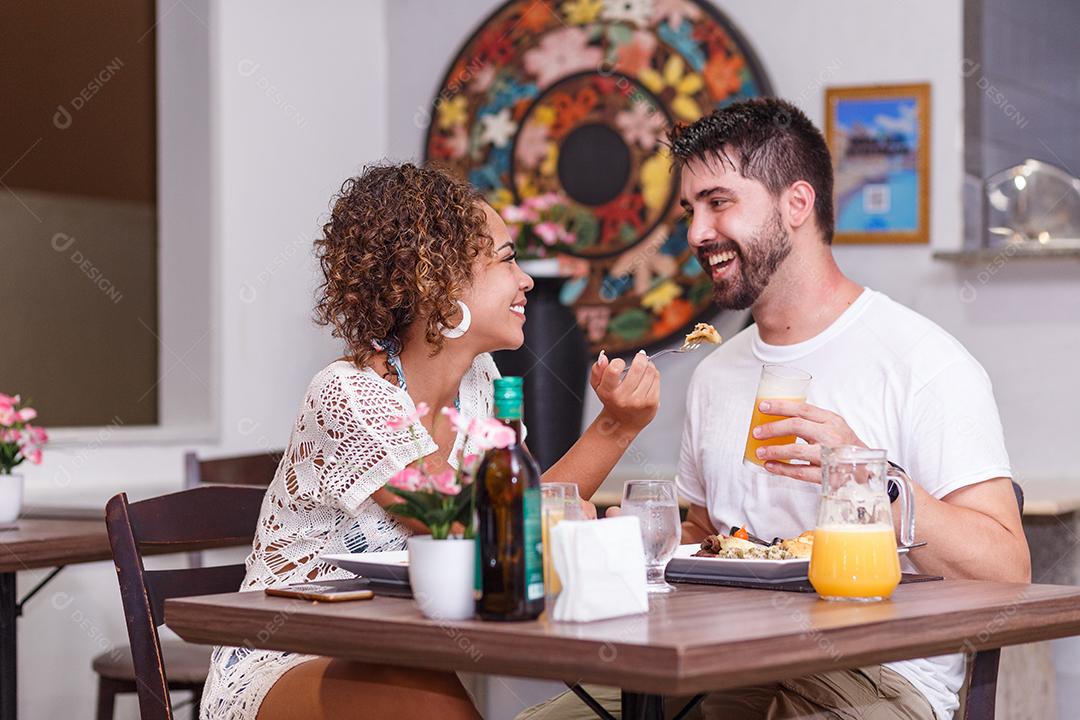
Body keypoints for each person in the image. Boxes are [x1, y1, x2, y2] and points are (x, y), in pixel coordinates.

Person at [517, 99, 1029, 720]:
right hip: (724, 659)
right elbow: (712, 536)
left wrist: (870, 477)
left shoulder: (924, 362)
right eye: (689, 211)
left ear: (796, 204)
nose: (697, 232)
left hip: (875, 676)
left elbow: (1007, 574)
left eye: (719, 202)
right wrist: (630, 543)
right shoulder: (715, 373)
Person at [200, 162, 661, 720]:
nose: (527, 281)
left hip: (404, 655)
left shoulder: (482, 384)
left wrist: (617, 424)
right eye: (507, 259)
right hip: (292, 657)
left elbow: (521, 505)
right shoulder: (348, 394)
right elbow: (456, 523)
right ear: (436, 280)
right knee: (434, 704)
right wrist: (556, 518)